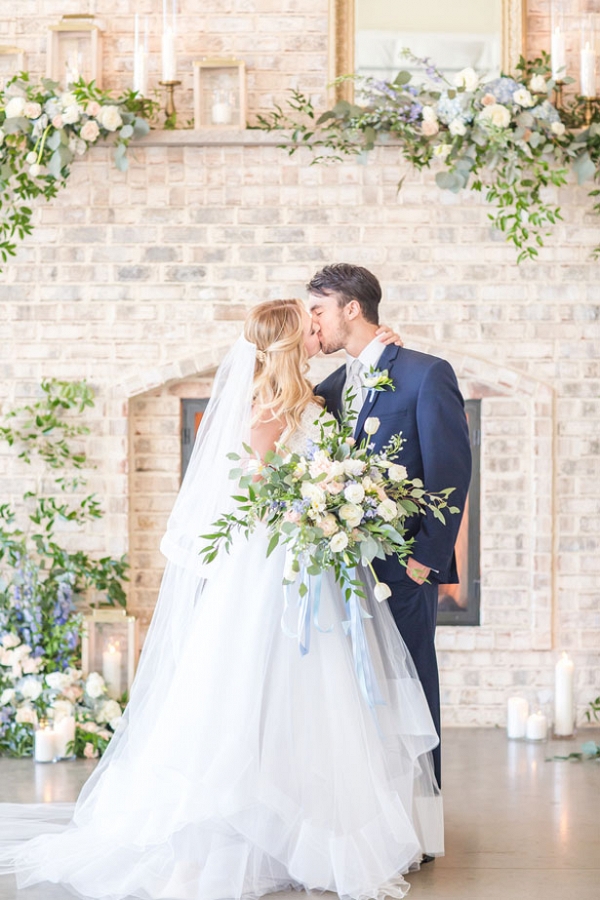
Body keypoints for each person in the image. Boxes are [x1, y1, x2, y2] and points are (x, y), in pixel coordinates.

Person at [0, 300, 443, 900]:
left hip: (312, 565)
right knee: (250, 694)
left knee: (312, 700)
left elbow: (352, 402)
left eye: (320, 320)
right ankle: (235, 826)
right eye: (310, 327)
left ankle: (299, 830)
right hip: (269, 570)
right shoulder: (264, 409)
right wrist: (310, 508)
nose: (319, 331)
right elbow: (260, 490)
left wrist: (381, 350)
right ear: (290, 344)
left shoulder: (317, 397)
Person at [310, 265, 472, 790]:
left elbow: (451, 469)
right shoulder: (332, 385)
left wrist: (426, 558)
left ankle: (422, 816)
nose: (314, 324)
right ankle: (374, 810)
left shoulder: (427, 373)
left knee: (410, 687)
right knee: (357, 692)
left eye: (319, 310)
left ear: (350, 309)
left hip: (405, 567)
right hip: (344, 568)